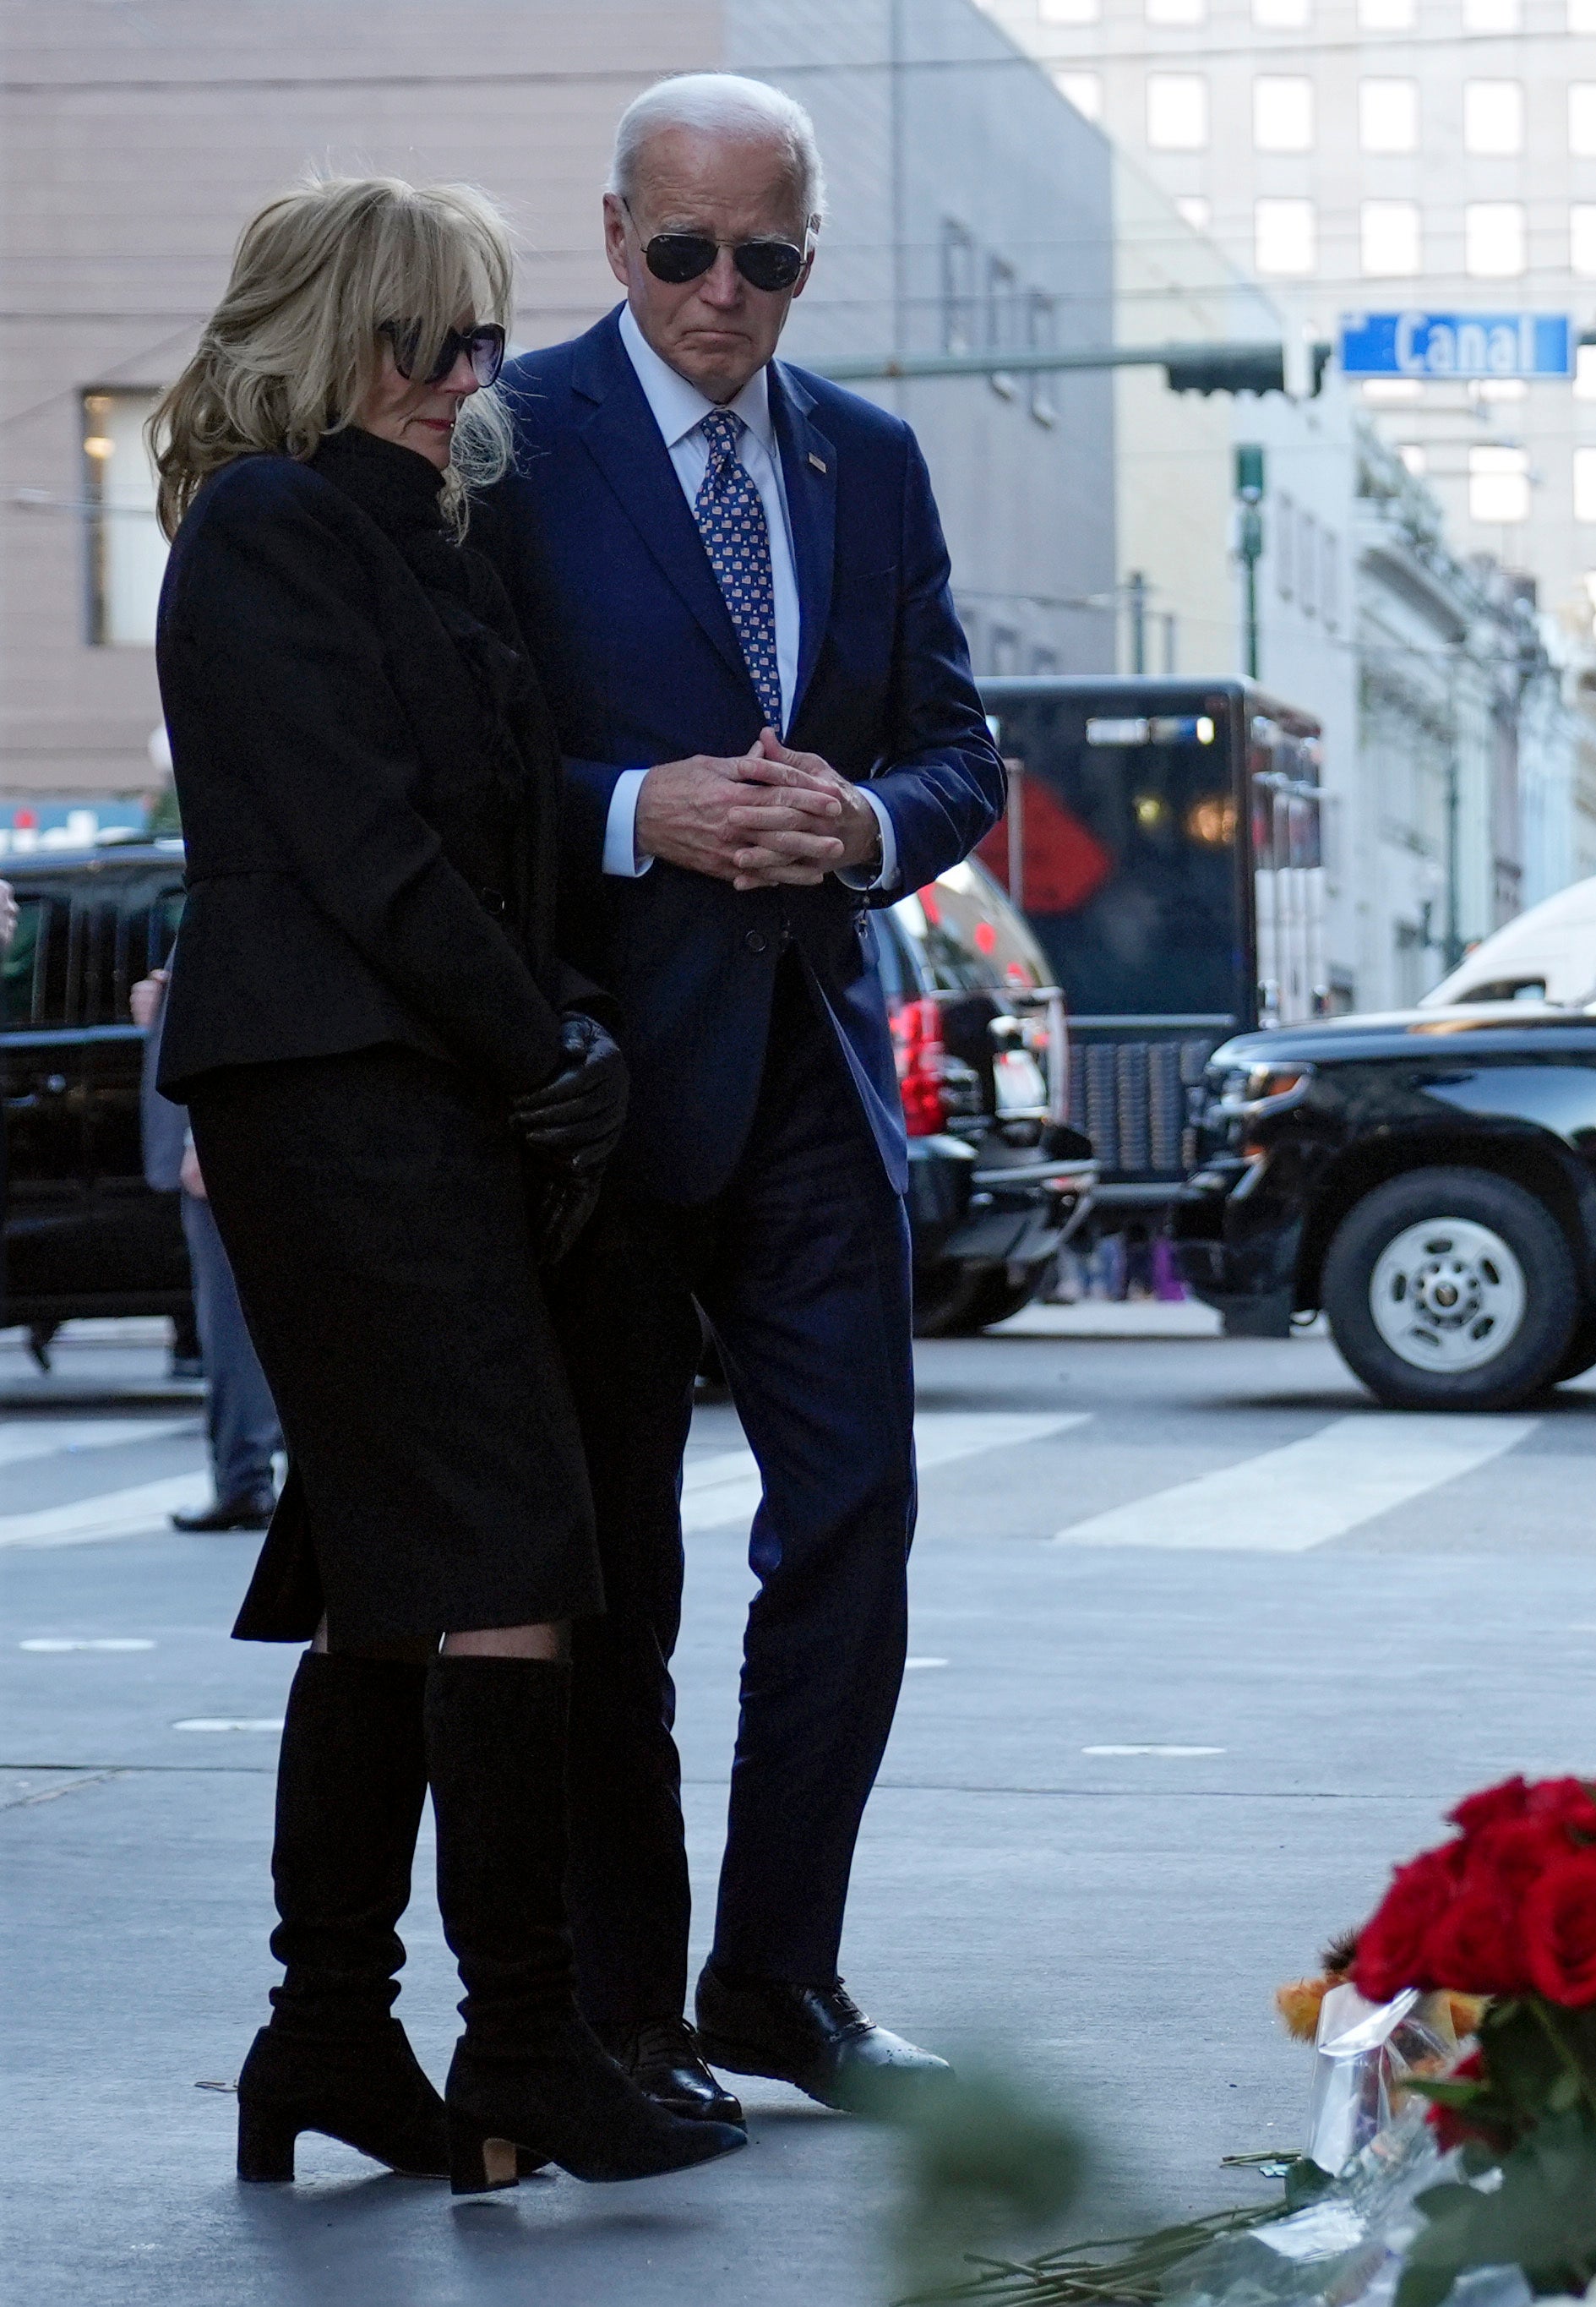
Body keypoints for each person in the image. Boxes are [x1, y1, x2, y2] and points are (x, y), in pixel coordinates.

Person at [149, 174, 745, 2193]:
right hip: (334, 1094)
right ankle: (515, 2043)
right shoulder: (265, 528)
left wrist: (560, 1023)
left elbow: (503, 839)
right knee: (499, 1566)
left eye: (484, 341)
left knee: (399, 1587)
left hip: (441, 1098)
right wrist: (547, 1045)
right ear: (326, 331)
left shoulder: (434, 534)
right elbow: (363, 851)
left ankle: (325, 2036)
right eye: (424, 342)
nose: (462, 380)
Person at [493, 74, 1000, 2118]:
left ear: (809, 253)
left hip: (810, 1066)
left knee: (856, 1525)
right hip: (602, 1089)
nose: (723, 292)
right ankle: (623, 2006)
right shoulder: (511, 445)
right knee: (619, 1564)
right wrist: (639, 811)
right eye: (684, 250)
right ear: (614, 240)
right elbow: (444, 762)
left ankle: (776, 1977)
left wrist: (864, 825)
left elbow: (965, 749)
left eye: (766, 255)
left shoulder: (866, 462)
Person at [131, 963, 285, 1529]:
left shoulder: (228, 879)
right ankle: (246, 1476)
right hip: (238, 1133)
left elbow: (231, 999)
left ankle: (244, 1477)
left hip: (225, 1135)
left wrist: (203, 1134)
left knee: (231, 1322)